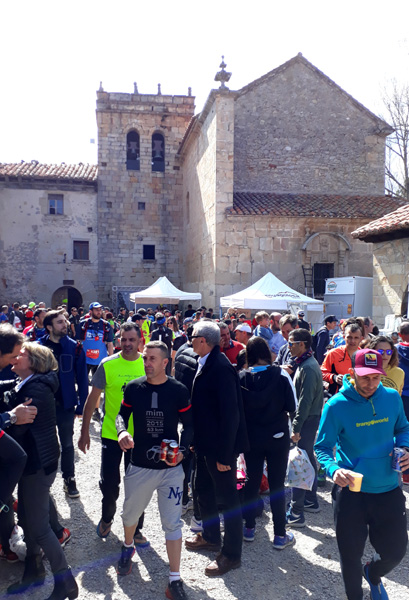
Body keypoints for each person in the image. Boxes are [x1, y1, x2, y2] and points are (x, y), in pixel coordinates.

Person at [315, 348, 409, 600]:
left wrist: (405, 447)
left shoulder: (391, 397)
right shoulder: (336, 405)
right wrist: (334, 469)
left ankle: (373, 573)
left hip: (388, 488)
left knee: (396, 551)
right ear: (352, 372)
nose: (371, 383)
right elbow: (322, 447)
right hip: (351, 493)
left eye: (376, 377)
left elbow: (403, 427)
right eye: (365, 377)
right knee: (350, 556)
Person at [115, 341, 193, 600]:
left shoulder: (178, 390)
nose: (146, 363)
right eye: (145, 358)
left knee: (172, 523)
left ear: (165, 362)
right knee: (130, 516)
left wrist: (183, 451)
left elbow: (190, 425)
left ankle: (175, 579)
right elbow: (120, 415)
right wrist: (122, 431)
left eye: (152, 359)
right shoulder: (134, 388)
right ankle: (128, 546)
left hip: (171, 469)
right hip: (140, 465)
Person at [5, 342, 78, 599]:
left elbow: (18, 429)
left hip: (38, 464)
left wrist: (8, 417)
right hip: (33, 462)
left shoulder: (35, 388)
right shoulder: (26, 382)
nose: (15, 356)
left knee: (39, 527)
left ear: (34, 363)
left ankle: (65, 581)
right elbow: (9, 392)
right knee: (27, 517)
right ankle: (34, 569)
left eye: (21, 354)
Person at [185, 321, 248, 577]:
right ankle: (211, 536)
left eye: (192, 336)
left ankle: (232, 555)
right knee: (203, 489)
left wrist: (225, 454)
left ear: (203, 340)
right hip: (205, 443)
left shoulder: (220, 367)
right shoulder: (205, 362)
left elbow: (231, 415)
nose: (189, 339)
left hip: (220, 448)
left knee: (228, 499)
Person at [78, 322, 147, 542]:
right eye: (123, 339)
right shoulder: (107, 364)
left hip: (140, 437)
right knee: (109, 484)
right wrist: (84, 432)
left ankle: (136, 528)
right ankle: (107, 517)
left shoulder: (147, 364)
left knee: (137, 486)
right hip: (111, 434)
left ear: (140, 341)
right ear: (118, 340)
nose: (127, 344)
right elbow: (92, 400)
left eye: (132, 340)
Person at [240, 337, 296, 548]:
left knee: (252, 482)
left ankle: (249, 528)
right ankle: (280, 534)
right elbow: (292, 405)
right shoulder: (281, 374)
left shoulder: (242, 377)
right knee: (276, 485)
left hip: (252, 437)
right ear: (267, 353)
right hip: (277, 436)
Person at [39, 310, 88, 499]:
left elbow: (82, 379)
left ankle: (69, 479)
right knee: (44, 444)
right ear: (49, 327)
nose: (65, 324)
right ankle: (42, 483)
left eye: (65, 321)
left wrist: (81, 405)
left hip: (65, 405)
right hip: (42, 405)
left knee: (67, 444)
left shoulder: (76, 347)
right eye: (59, 322)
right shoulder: (38, 347)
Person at [286, 328, 324, 527]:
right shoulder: (304, 363)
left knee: (299, 463)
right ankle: (310, 500)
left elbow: (305, 401)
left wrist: (296, 427)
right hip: (308, 419)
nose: (288, 347)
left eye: (291, 343)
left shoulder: (308, 367)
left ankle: (296, 512)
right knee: (307, 458)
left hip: (306, 420)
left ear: (302, 344)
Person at [321, 322, 363, 396]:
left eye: (356, 338)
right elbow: (322, 373)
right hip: (338, 395)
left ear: (361, 339)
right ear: (344, 337)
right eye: (349, 337)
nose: (352, 341)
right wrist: (334, 377)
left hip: (359, 396)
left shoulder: (364, 355)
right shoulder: (333, 353)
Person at [396, 321, 409, 484]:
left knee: (402, 432)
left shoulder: (395, 350)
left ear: (399, 334)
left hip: (400, 396)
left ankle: (403, 471)